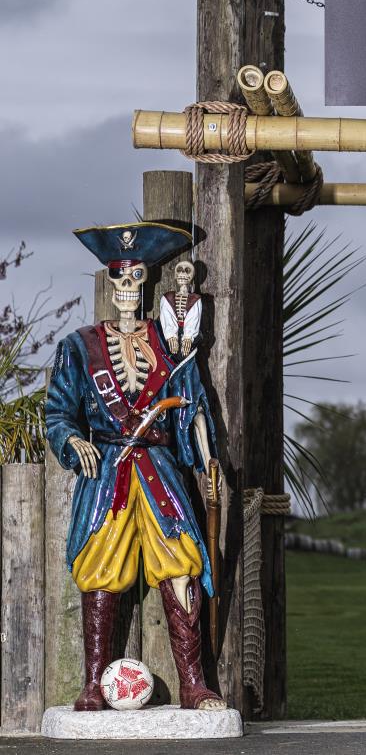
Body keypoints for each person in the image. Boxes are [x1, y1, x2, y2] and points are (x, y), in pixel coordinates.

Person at [44, 222, 225, 712]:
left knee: (183, 566)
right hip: (107, 472)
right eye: (120, 279)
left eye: (136, 278)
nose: (128, 289)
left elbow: (192, 402)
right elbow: (58, 412)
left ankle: (193, 683)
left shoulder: (169, 343)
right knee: (100, 571)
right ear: (109, 281)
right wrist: (72, 439)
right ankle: (91, 683)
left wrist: (209, 459)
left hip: (160, 471)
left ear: (146, 283)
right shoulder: (79, 346)